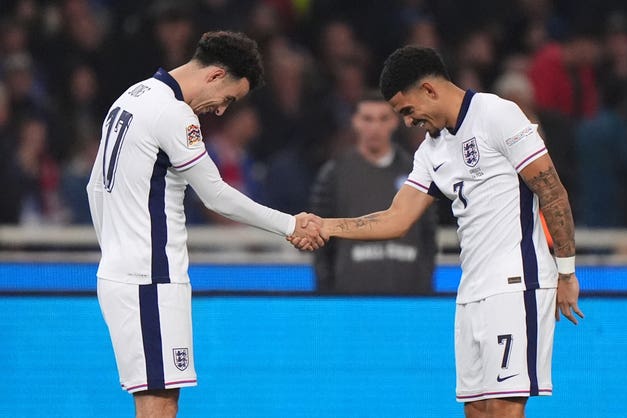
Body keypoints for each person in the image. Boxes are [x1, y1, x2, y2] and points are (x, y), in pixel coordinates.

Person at [291, 46, 583, 418]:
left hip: (516, 281)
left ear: (428, 90)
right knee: (476, 407)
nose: (409, 122)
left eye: (408, 111)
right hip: (471, 289)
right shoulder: (432, 150)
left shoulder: (498, 114)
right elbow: (397, 218)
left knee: (505, 406)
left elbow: (552, 190)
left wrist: (566, 270)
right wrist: (325, 225)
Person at [86, 31, 323, 418]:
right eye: (228, 98)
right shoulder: (173, 113)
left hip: (125, 271)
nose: (221, 110)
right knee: (159, 405)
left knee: (155, 401)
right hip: (151, 277)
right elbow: (215, 195)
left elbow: (95, 187)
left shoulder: (132, 96)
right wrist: (289, 224)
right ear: (215, 75)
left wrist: (116, 248)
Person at [310, 89, 437, 294]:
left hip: (409, 297)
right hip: (350, 297)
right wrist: (328, 296)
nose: (375, 127)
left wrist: (424, 286)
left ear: (394, 122)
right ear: (355, 122)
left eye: (383, 118)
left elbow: (428, 236)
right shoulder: (334, 174)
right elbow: (321, 243)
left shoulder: (417, 170)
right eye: (367, 119)